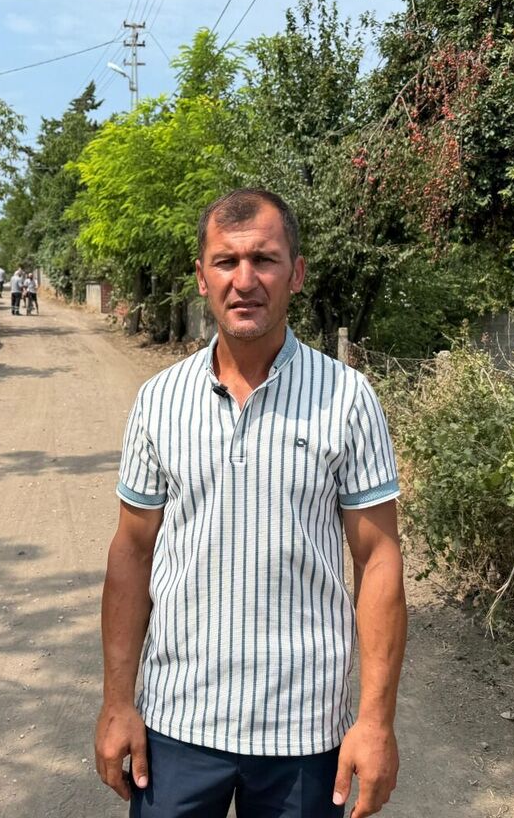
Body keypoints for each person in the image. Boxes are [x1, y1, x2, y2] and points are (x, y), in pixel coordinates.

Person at [94, 189, 406, 818]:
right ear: (201, 276)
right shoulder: (159, 400)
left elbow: (378, 561)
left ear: (297, 272)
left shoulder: (347, 399)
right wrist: (117, 702)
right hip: (178, 722)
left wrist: (375, 722)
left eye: (264, 259)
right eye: (226, 261)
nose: (244, 280)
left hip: (304, 730)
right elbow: (132, 553)